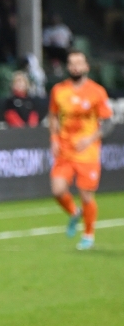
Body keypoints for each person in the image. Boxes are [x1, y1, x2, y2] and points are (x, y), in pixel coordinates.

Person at [48, 50, 114, 251]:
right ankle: (74, 212)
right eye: (72, 63)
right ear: (68, 67)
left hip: (88, 152)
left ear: (86, 66)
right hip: (65, 149)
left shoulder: (97, 91)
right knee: (57, 190)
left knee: (86, 195)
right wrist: (54, 139)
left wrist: (90, 139)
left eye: (79, 63)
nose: (75, 67)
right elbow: (53, 116)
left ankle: (88, 234)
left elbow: (108, 122)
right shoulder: (59, 90)